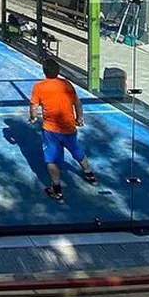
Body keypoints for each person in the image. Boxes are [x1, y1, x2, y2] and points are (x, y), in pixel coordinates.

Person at [29, 57, 97, 200]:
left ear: (44, 71)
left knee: (51, 160)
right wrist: (79, 118)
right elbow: (77, 104)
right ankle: (89, 174)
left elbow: (33, 106)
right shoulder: (67, 84)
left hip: (50, 130)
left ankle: (57, 189)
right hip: (69, 127)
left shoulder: (39, 87)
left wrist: (33, 117)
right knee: (76, 150)